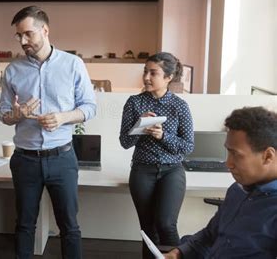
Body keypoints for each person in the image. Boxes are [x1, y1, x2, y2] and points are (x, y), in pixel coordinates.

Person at [0, 6, 96, 259]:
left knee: (69, 227)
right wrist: (17, 115)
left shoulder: (73, 64)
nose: (23, 41)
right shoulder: (13, 70)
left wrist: (63, 117)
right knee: (24, 224)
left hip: (62, 158)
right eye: (19, 36)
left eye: (28, 34)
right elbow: (4, 114)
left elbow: (89, 107)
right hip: (25, 159)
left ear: (45, 30)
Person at [165, 106, 277, 258]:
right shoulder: (237, 190)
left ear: (268, 156)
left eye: (236, 154)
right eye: (228, 152)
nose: (228, 163)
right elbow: (211, 234)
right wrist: (179, 253)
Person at [119, 52, 194, 259]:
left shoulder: (180, 106)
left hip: (172, 171)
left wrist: (163, 136)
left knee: (166, 225)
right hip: (142, 170)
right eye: (145, 72)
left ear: (168, 78)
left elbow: (187, 147)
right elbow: (125, 142)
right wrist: (139, 126)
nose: (146, 78)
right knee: (147, 228)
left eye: (153, 73)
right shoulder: (134, 103)